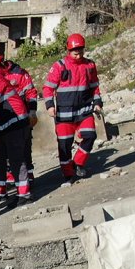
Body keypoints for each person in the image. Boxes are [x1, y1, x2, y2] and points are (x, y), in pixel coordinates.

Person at [42, 34, 103, 185]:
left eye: (80, 51)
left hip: (84, 110)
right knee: (64, 145)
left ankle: (78, 164)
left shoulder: (89, 66)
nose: (78, 55)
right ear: (68, 51)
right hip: (64, 114)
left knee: (90, 135)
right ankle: (68, 174)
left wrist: (97, 102)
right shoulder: (59, 66)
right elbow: (48, 88)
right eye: (75, 52)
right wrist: (50, 106)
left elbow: (95, 87)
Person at [0, 60, 33, 206]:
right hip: (4, 126)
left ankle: (25, 194)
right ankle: (0, 192)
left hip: (15, 124)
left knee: (16, 160)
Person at [0, 51, 39, 181]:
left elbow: (31, 92)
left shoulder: (19, 73)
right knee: (4, 153)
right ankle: (13, 178)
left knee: (24, 150)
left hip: (21, 117)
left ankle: (28, 175)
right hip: (4, 118)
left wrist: (32, 111)